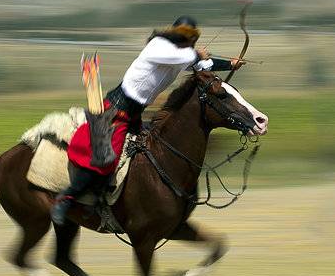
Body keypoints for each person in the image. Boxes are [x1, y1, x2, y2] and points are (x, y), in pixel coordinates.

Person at [51, 16, 244, 225]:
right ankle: (66, 199)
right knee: (104, 158)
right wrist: (196, 54)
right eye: (186, 39)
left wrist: (230, 64)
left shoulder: (181, 56)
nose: (190, 44)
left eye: (191, 40)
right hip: (116, 111)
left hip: (134, 114)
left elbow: (202, 63)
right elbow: (186, 58)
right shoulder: (158, 46)